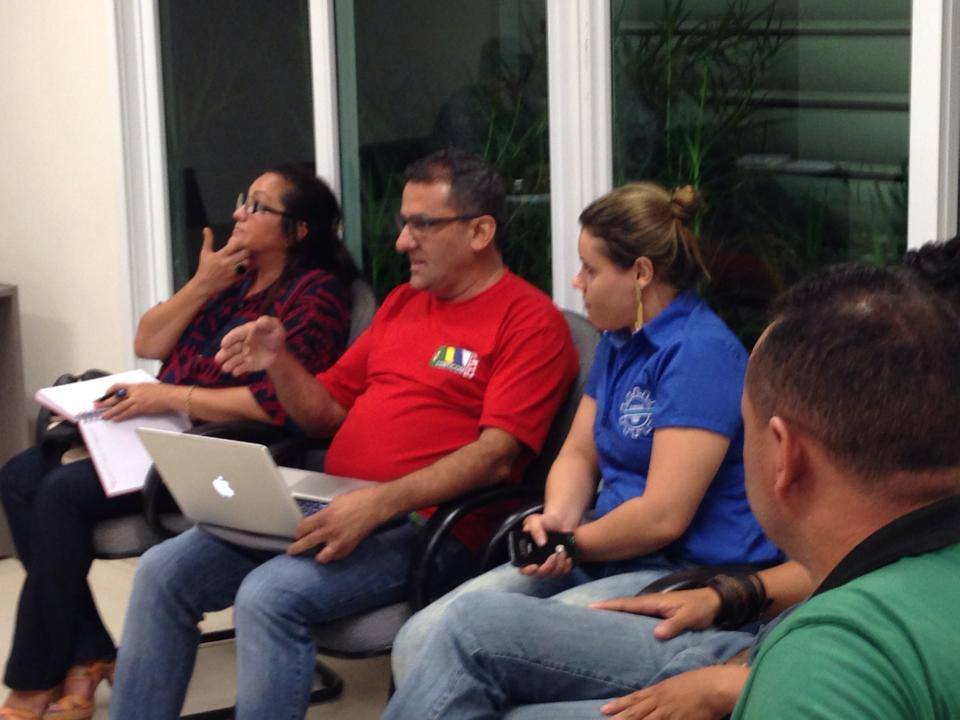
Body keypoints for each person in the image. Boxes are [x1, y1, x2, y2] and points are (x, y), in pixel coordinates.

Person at [107, 148, 579, 720]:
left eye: (422, 225)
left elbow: (496, 458)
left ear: (481, 230)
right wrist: (279, 361)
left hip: (427, 526)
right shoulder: (404, 303)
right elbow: (327, 410)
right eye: (404, 223)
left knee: (268, 596)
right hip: (335, 499)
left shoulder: (529, 322)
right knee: (163, 572)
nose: (403, 241)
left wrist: (378, 502)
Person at [382, 262, 960, 719]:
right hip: (739, 642)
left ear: (785, 455)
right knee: (471, 628)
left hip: (754, 646)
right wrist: (732, 603)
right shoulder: (916, 560)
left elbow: (663, 518)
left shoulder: (832, 660)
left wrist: (744, 681)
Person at [0, 165, 354, 720]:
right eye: (243, 199)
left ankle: (34, 678)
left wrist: (171, 398)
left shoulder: (317, 295)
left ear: (299, 230)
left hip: (221, 449)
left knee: (61, 493)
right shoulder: (230, 278)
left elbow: (277, 404)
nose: (239, 213)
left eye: (258, 207)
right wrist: (202, 283)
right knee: (20, 475)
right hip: (160, 427)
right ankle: (87, 653)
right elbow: (149, 339)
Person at [392, 181, 782, 685]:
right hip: (607, 548)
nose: (578, 282)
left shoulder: (699, 354)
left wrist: (573, 544)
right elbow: (578, 453)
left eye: (591, 269)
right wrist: (557, 520)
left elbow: (663, 518)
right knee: (419, 639)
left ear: (641, 273)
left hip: (683, 571)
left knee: (489, 655)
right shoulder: (620, 340)